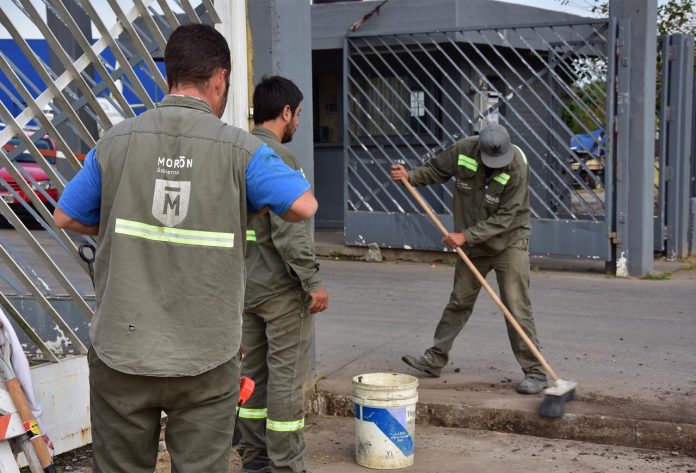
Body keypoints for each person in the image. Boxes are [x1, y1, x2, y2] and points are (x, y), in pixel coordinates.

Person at [53, 24, 317, 473]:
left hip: (123, 352)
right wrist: (243, 209)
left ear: (170, 77)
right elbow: (303, 205)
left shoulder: (117, 141)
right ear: (219, 79)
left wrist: (121, 224)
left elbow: (66, 217)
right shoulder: (240, 149)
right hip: (205, 359)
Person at [391, 123, 547, 394]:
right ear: (480, 149)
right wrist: (410, 176)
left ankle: (536, 372)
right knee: (459, 301)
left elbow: (506, 217)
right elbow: (436, 170)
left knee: (515, 306)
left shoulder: (517, 165)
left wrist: (465, 236)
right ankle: (435, 358)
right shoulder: (463, 150)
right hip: (473, 245)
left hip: (508, 242)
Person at [236, 76, 328, 473]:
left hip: (245, 289)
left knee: (252, 379)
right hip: (279, 292)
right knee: (287, 385)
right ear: (286, 112)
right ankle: (287, 466)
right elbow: (291, 235)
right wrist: (313, 283)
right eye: (299, 114)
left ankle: (254, 460)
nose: (298, 123)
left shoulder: (238, 153)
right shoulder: (280, 160)